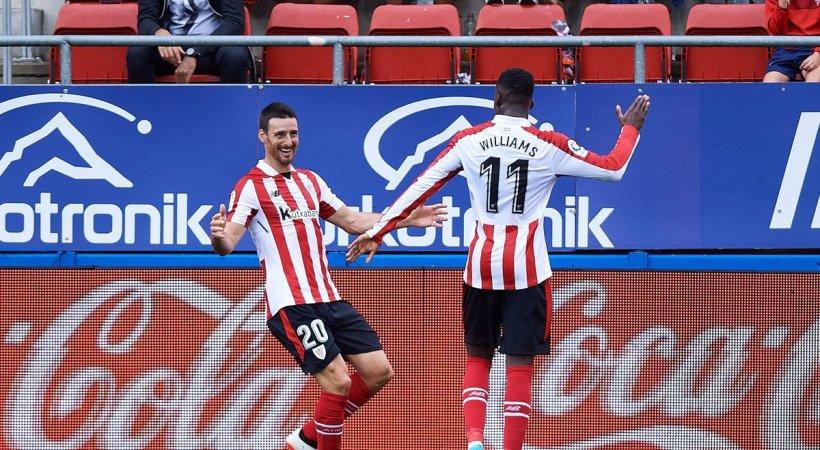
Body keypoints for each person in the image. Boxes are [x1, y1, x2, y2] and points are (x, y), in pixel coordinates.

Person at [346, 68, 650, 450]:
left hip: (481, 267)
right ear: (531, 104)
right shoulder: (548, 143)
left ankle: (475, 439)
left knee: (479, 358)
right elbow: (613, 168)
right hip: (527, 269)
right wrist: (630, 129)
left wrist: (378, 231)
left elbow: (419, 187)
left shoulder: (468, 140)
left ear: (496, 98)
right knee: (519, 365)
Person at [209, 102, 446, 450]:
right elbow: (228, 243)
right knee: (338, 381)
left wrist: (406, 219)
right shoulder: (250, 186)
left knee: (378, 371)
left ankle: (305, 440)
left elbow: (352, 221)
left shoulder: (310, 181)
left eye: (293, 133)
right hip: (292, 302)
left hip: (328, 297)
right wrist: (217, 236)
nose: (288, 141)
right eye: (279, 134)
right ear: (263, 137)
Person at [127, 0, 252, 83]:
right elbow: (145, 18)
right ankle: (143, 111)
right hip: (171, 51)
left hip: (211, 50)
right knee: (138, 53)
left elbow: (234, 22)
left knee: (235, 54)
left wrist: (195, 52)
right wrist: (159, 33)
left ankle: (231, 111)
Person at [763, 0, 820, 82]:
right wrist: (782, 5)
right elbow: (776, 33)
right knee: (771, 84)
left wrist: (818, 53)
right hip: (786, 48)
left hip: (815, 47)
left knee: (814, 81)